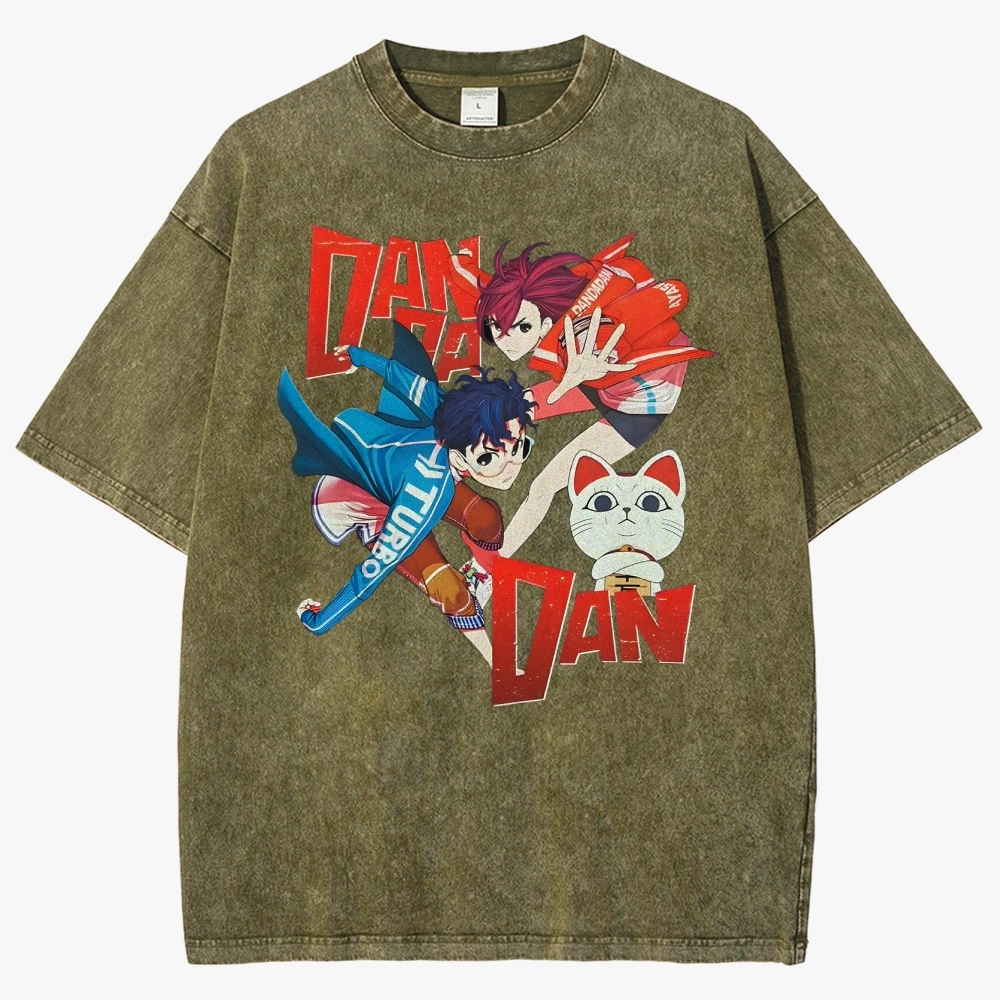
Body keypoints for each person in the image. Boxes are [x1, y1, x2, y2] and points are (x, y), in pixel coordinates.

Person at [278, 322, 536, 663]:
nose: (510, 467)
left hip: (418, 463)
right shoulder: (425, 494)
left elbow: (402, 377)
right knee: (453, 594)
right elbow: (373, 570)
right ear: (462, 457)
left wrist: (359, 356)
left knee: (486, 520)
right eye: (489, 458)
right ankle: (482, 630)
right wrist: (318, 622)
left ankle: (479, 573)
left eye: (518, 448)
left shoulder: (455, 410)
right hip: (370, 503)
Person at [451, 235, 713, 557]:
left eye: (520, 328)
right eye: (497, 329)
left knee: (543, 485)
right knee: (514, 408)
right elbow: (486, 288)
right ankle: (460, 461)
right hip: (603, 378)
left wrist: (581, 378)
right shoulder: (540, 300)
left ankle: (491, 567)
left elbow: (603, 350)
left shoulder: (577, 339)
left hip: (640, 403)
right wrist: (461, 263)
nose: (506, 341)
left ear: (545, 323)